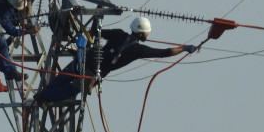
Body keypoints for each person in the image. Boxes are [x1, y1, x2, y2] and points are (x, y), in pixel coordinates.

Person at [36, 16, 198, 102]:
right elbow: (164, 53)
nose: (148, 35)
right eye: (147, 32)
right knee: (72, 89)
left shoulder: (119, 33)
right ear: (141, 33)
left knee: (66, 75)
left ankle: (43, 94)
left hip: (84, 60)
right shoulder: (138, 50)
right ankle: (44, 98)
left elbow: (96, 32)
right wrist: (183, 48)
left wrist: (91, 30)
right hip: (92, 72)